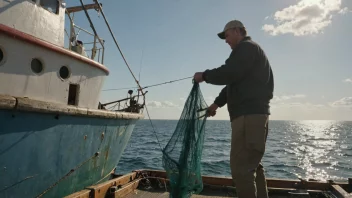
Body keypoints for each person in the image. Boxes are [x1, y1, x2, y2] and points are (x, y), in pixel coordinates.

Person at [193, 20, 274, 198]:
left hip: (248, 117)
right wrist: (216, 104)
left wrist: (204, 76)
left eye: (227, 35)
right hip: (254, 116)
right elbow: (233, 82)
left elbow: (229, 72)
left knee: (241, 168)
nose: (225, 40)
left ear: (238, 31)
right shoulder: (249, 51)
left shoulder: (246, 48)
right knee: (252, 164)